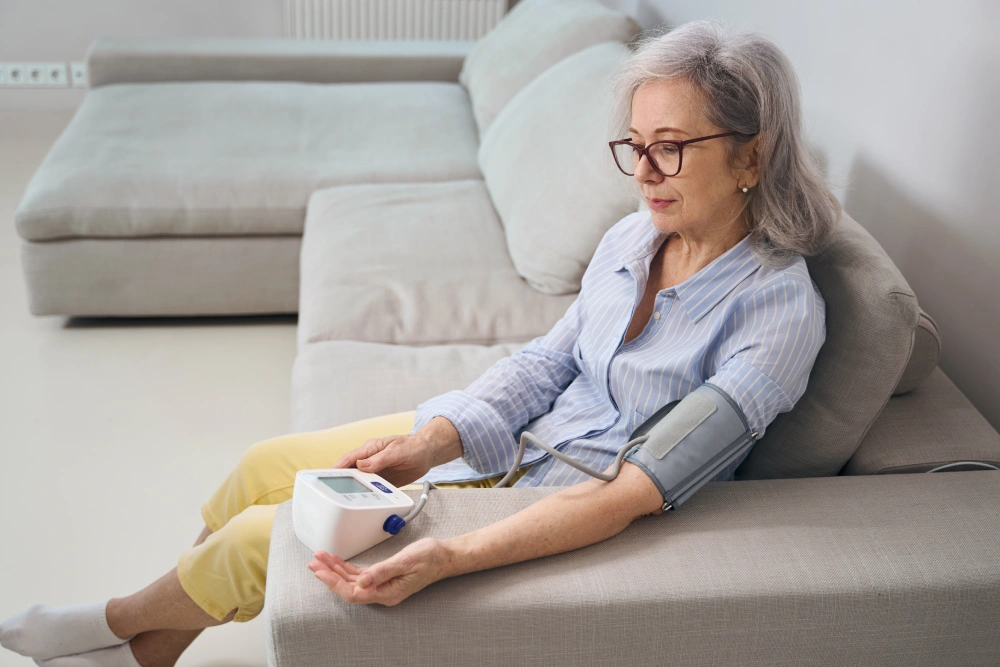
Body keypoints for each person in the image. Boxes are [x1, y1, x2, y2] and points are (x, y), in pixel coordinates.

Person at [0, 19, 839, 667]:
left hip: (545, 494)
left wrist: (452, 551)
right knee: (260, 468)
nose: (646, 172)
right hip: (497, 447)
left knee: (268, 537)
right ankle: (157, 642)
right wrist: (431, 439)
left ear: (751, 157)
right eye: (636, 146)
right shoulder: (633, 238)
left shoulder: (777, 316)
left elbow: (633, 490)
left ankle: (117, 623)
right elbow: (547, 363)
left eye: (672, 148)